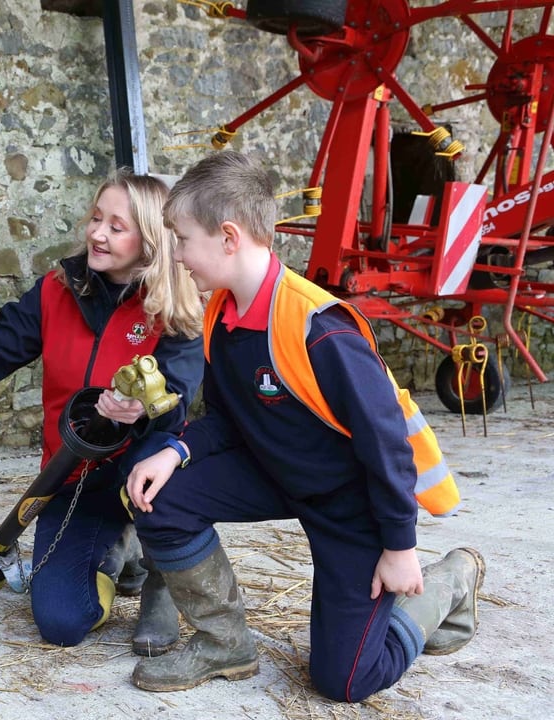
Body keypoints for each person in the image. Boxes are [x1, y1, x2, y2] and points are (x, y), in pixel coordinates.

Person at [123, 150, 484, 702]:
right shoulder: (221, 313)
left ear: (228, 237)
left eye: (182, 239)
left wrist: (399, 547)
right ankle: (224, 645)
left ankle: (446, 582)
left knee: (345, 681)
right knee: (160, 496)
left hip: (349, 502)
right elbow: (226, 421)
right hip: (277, 475)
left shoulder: (321, 328)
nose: (176, 254)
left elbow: (388, 444)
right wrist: (175, 451)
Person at [0, 167, 205, 654]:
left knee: (161, 459)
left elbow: (176, 397)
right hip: (73, 477)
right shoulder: (57, 289)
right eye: (96, 218)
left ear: (150, 239)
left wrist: (140, 411)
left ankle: (162, 578)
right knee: (62, 621)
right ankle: (115, 553)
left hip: (142, 470)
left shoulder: (175, 305)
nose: (97, 233)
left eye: (116, 226)